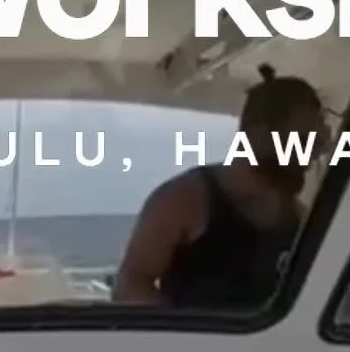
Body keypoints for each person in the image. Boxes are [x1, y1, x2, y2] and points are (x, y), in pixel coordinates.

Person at [113, 69, 325, 311]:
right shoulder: (183, 200)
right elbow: (131, 284)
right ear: (259, 135)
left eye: (319, 142)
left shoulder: (298, 216)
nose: (313, 155)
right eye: (305, 141)